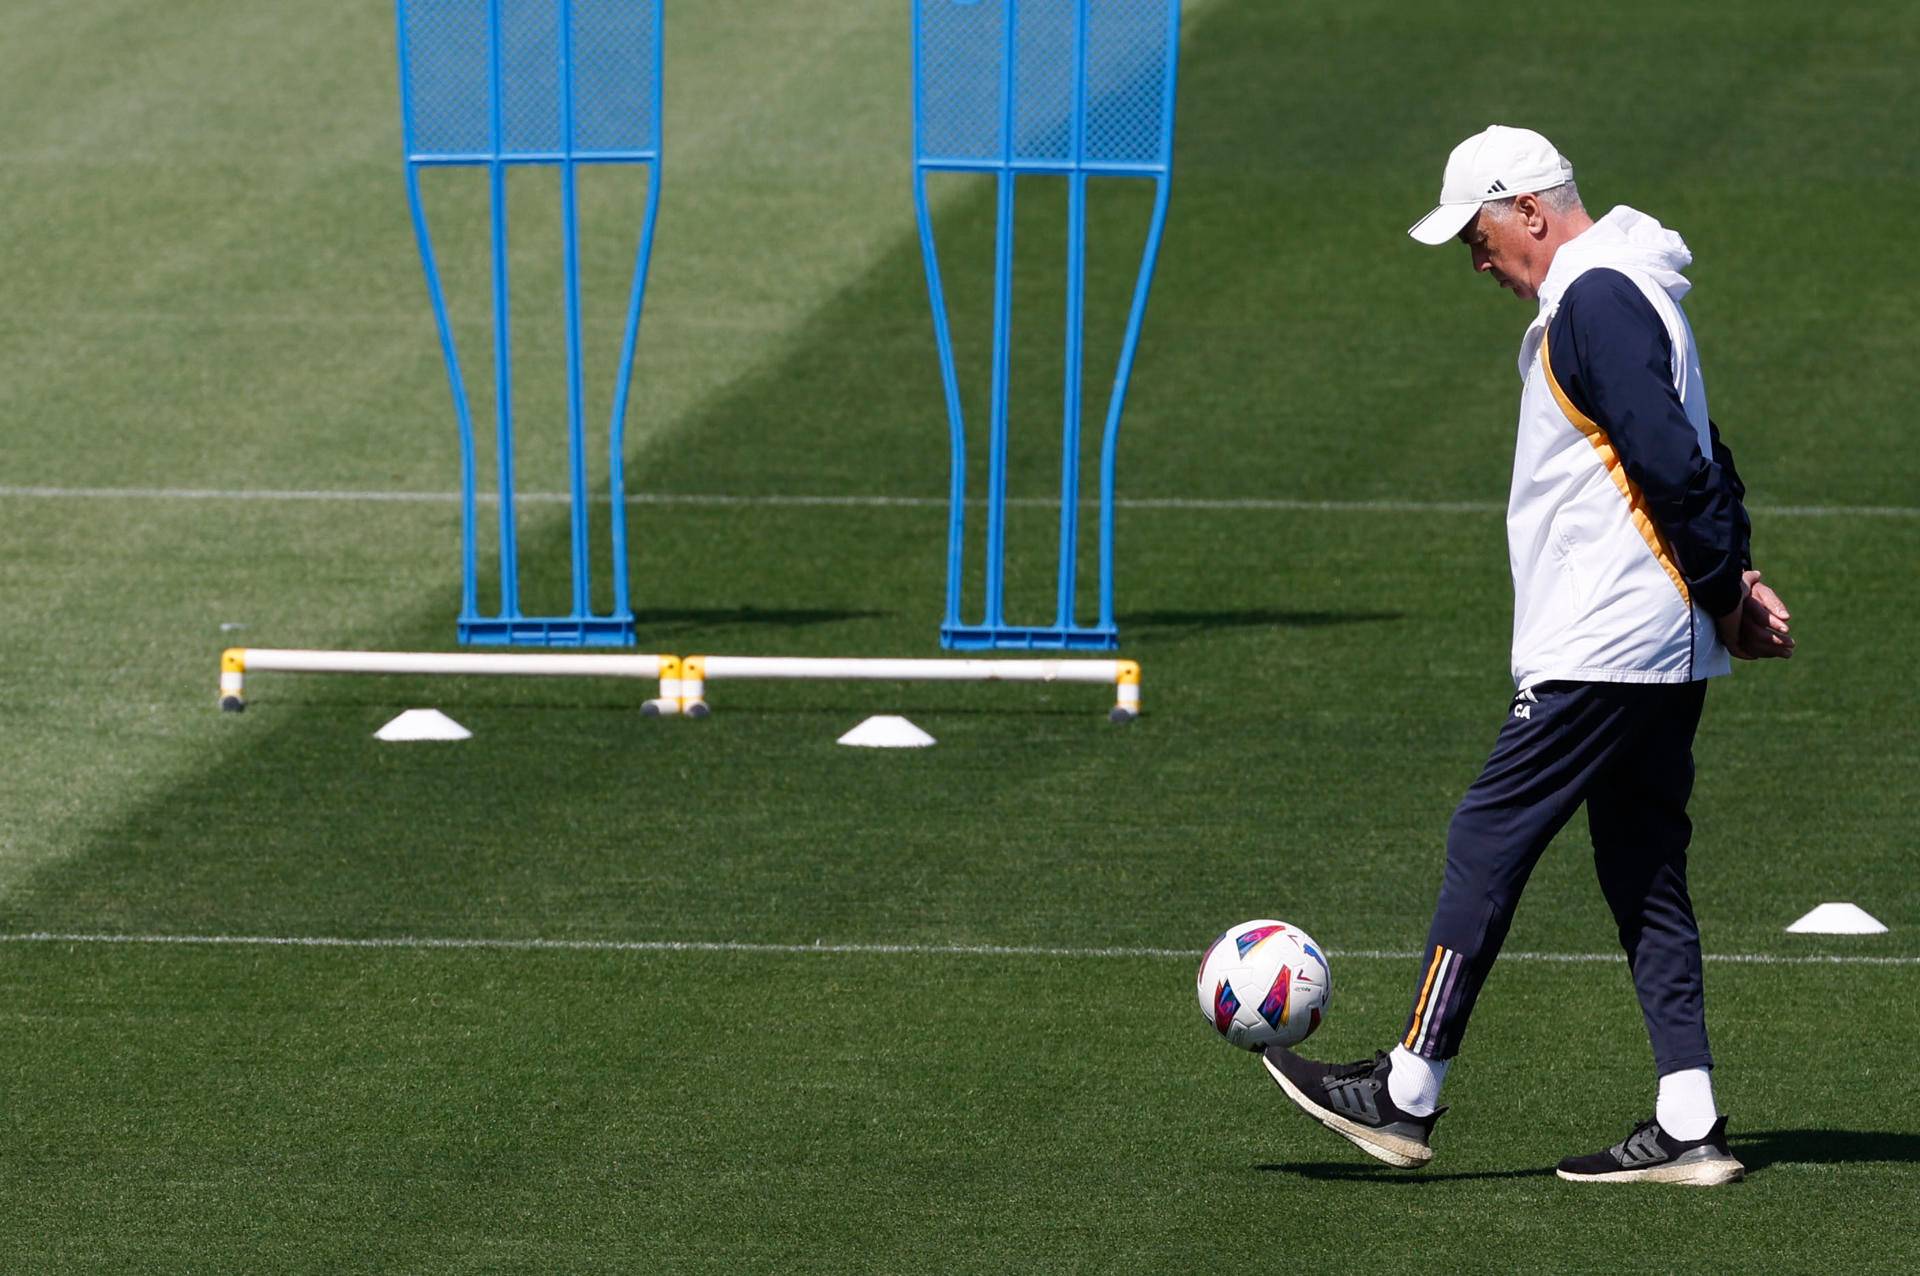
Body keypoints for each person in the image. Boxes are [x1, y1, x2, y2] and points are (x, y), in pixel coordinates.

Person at [1262, 125, 1793, 1186]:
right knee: (1642, 868)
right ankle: (1689, 1121)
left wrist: (1728, 577)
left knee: (1486, 835)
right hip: (1659, 641)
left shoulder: (1596, 297)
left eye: (1480, 234)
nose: (1477, 259)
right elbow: (1701, 443)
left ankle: (1407, 1091)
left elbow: (1670, 454)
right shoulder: (1631, 288)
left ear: (1532, 213)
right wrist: (1729, 582)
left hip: (1605, 639)